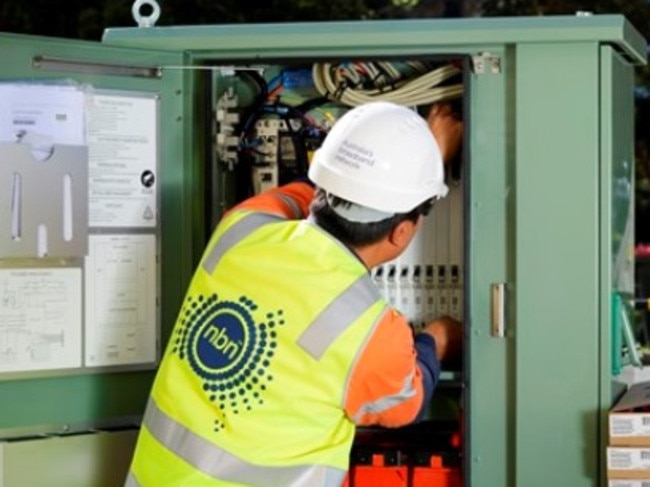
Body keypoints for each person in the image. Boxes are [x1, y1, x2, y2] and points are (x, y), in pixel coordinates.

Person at [125, 100, 463, 487]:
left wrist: (415, 169)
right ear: (401, 232)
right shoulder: (371, 332)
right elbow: (406, 403)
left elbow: (302, 195)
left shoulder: (241, 229)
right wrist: (438, 339)